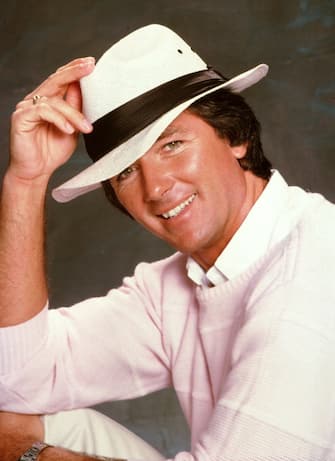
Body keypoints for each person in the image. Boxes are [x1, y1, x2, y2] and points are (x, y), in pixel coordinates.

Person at [1, 23, 335, 461]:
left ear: (236, 136)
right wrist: (26, 181)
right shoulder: (179, 285)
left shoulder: (315, 270)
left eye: (172, 144)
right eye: (126, 170)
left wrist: (33, 455)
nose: (156, 187)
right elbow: (15, 379)